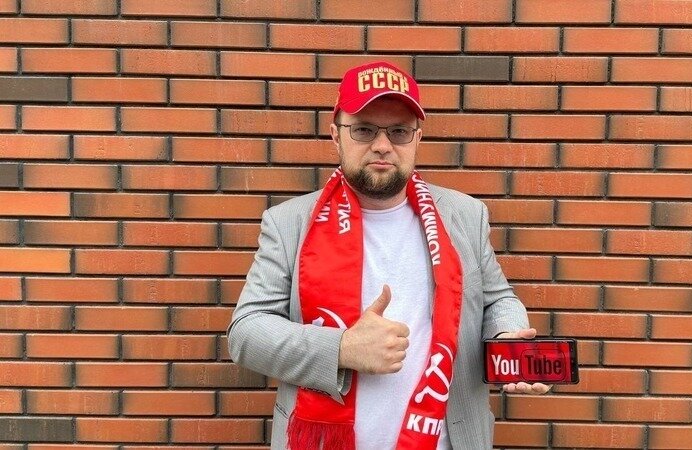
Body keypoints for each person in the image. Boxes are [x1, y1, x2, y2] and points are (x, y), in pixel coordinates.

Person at [227, 61, 549, 450]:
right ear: (336, 134)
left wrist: (507, 337)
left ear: (417, 139)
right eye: (364, 129)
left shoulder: (465, 215)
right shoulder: (289, 223)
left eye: (399, 131)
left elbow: (496, 299)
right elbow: (246, 332)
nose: (383, 145)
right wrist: (341, 348)